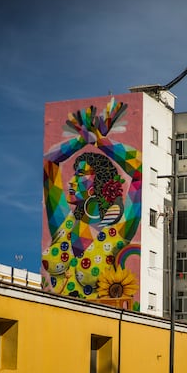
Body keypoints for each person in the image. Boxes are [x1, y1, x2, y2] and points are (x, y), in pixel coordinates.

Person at [42, 97, 142, 303]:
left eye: (80, 175)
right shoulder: (63, 223)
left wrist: (102, 141)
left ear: (101, 182)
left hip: (99, 328)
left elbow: (139, 170)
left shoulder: (119, 232)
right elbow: (50, 163)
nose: (71, 181)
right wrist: (83, 139)